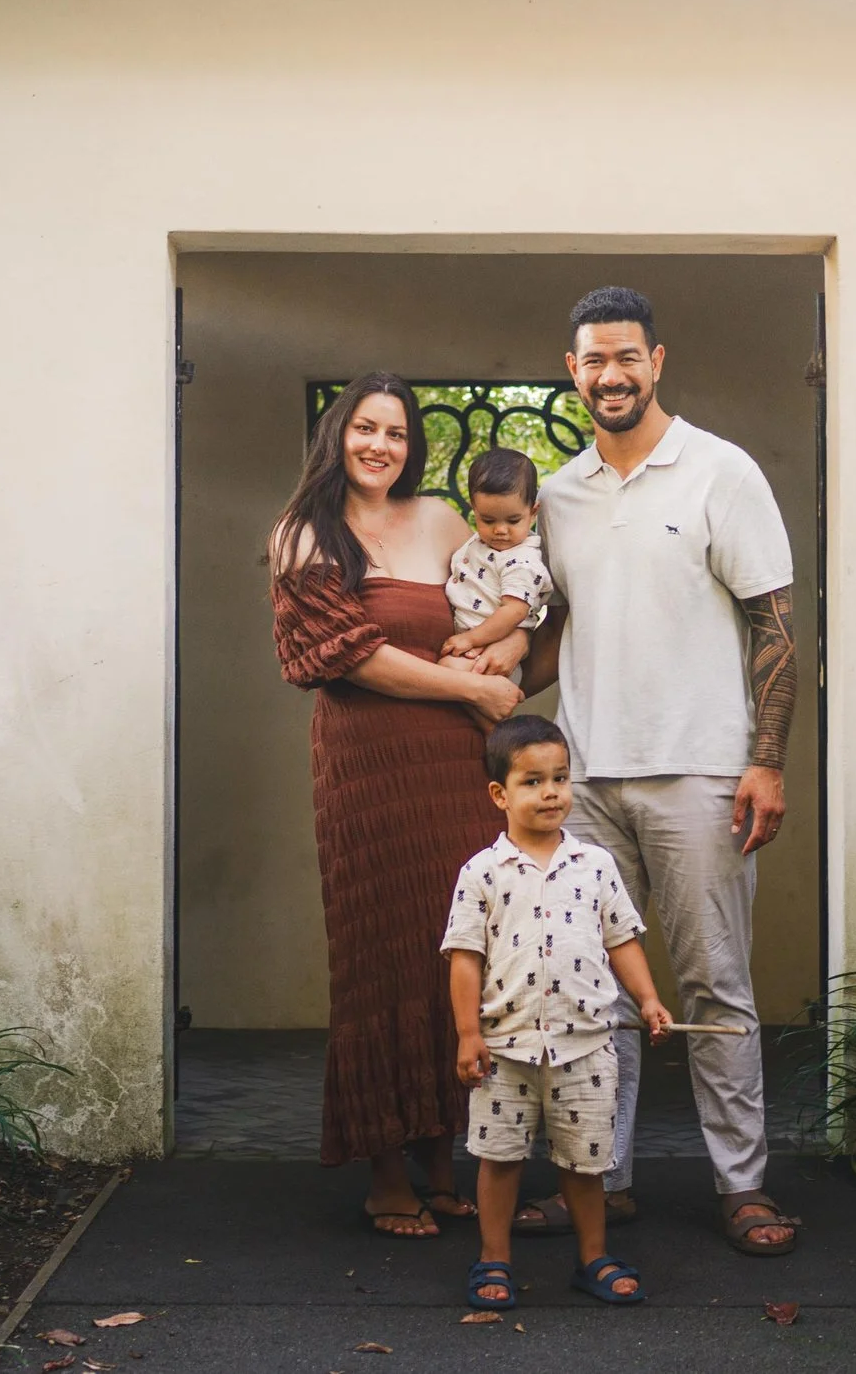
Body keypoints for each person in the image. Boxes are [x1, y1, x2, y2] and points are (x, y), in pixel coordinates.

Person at [501, 285, 806, 1257]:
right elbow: (548, 637)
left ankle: (742, 1184)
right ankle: (604, 1177)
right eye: (593, 360)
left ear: (657, 360)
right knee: (593, 991)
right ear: (572, 370)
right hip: (583, 783)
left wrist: (765, 761)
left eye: (626, 356)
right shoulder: (558, 492)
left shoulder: (719, 471)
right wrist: (462, 679)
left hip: (700, 773)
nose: (610, 374)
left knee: (715, 985)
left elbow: (776, 626)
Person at [271, 373, 526, 1238]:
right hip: (368, 769)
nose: (381, 444)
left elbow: (515, 604)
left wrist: (506, 658)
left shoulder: (448, 522)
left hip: (456, 766)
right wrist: (466, 686)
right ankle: (386, 1171)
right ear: (337, 433)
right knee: (381, 950)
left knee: (457, 949)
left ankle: (442, 1161)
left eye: (397, 432)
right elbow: (345, 654)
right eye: (365, 427)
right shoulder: (302, 533)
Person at [443, 716, 673, 1310]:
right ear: (500, 793)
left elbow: (623, 938)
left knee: (585, 1161)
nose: (551, 792)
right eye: (533, 781)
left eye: (561, 778)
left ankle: (593, 1257)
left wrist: (647, 998)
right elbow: (465, 958)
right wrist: (469, 1033)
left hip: (585, 1046)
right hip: (505, 1048)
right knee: (498, 1159)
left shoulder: (595, 865)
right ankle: (493, 1260)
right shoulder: (481, 873)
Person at [438, 448, 554, 673]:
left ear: (533, 512)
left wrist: (471, 639)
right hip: (471, 645)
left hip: (493, 652)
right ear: (474, 509)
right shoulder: (478, 544)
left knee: (448, 671)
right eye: (488, 520)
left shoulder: (522, 562)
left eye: (513, 520)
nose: (500, 530)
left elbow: (514, 611)